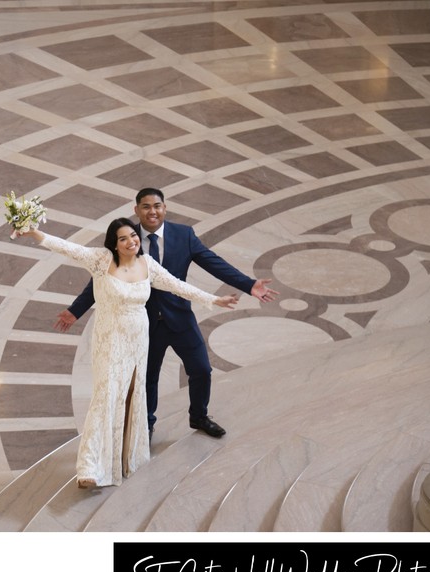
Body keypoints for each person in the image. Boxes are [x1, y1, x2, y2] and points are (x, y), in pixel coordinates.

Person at [18, 218, 238, 488]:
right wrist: (35, 234)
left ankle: (125, 458)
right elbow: (68, 248)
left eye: (133, 236)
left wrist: (214, 299)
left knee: (133, 394)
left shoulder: (148, 265)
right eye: (123, 238)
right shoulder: (101, 260)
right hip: (109, 338)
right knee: (106, 394)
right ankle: (88, 466)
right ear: (114, 243)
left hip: (138, 339)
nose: (131, 241)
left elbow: (178, 286)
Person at [55, 188, 278, 440]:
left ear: (165, 208)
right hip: (145, 323)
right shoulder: (128, 238)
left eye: (157, 206)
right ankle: (146, 426)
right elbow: (103, 277)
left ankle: (199, 416)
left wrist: (248, 284)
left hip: (180, 317)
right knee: (148, 378)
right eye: (146, 206)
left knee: (202, 370)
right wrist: (76, 311)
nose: (153, 211)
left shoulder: (184, 235)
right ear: (136, 210)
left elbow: (214, 262)